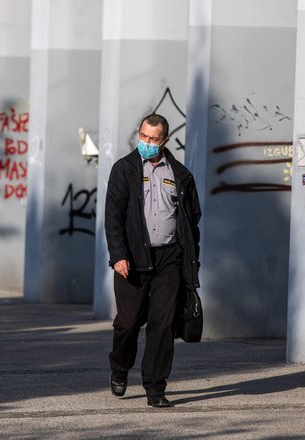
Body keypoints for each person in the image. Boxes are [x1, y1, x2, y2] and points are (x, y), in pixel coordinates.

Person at [105, 113, 201, 408]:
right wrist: (118, 255)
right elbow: (113, 217)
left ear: (165, 141)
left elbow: (192, 219)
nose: (147, 143)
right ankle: (120, 368)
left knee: (163, 325)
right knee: (128, 323)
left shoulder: (181, 175)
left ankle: (156, 388)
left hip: (169, 260)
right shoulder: (124, 170)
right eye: (143, 136)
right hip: (133, 260)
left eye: (153, 139)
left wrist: (190, 262)